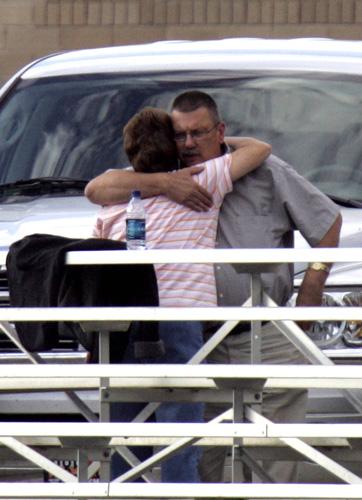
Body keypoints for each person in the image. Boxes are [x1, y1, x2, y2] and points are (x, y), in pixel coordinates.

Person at [85, 91, 342, 483]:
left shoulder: (265, 171)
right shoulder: (152, 177)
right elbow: (96, 188)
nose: (188, 143)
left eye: (199, 133)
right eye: (180, 134)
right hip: (200, 341)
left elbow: (327, 224)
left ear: (220, 131)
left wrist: (311, 291)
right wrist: (165, 184)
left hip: (266, 332)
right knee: (203, 457)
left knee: (273, 453)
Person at [91, 106, 271, 483]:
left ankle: (127, 489)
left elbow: (94, 189)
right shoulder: (201, 178)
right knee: (182, 427)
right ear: (173, 146)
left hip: (125, 322)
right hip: (180, 318)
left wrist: (150, 179)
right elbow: (259, 149)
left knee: (126, 428)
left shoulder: (117, 198)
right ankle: (180, 489)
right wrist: (213, 141)